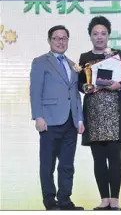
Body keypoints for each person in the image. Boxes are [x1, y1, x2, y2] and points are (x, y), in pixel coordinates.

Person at [78, 16, 121, 210]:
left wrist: (119, 85)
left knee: (115, 158)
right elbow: (79, 83)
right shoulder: (84, 57)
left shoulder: (117, 54)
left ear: (108, 35)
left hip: (114, 113)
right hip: (94, 113)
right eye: (95, 34)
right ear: (90, 36)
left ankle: (115, 200)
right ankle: (104, 199)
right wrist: (85, 87)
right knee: (98, 160)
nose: (99, 37)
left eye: (103, 33)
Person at [30, 25, 84, 210]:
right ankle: (49, 201)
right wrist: (38, 116)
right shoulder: (40, 62)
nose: (60, 41)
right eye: (56, 38)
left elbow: (75, 94)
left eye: (64, 38)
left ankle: (65, 200)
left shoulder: (72, 64)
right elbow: (35, 91)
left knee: (67, 164)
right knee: (48, 164)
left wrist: (79, 119)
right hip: (49, 120)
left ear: (68, 40)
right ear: (49, 40)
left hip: (70, 121)